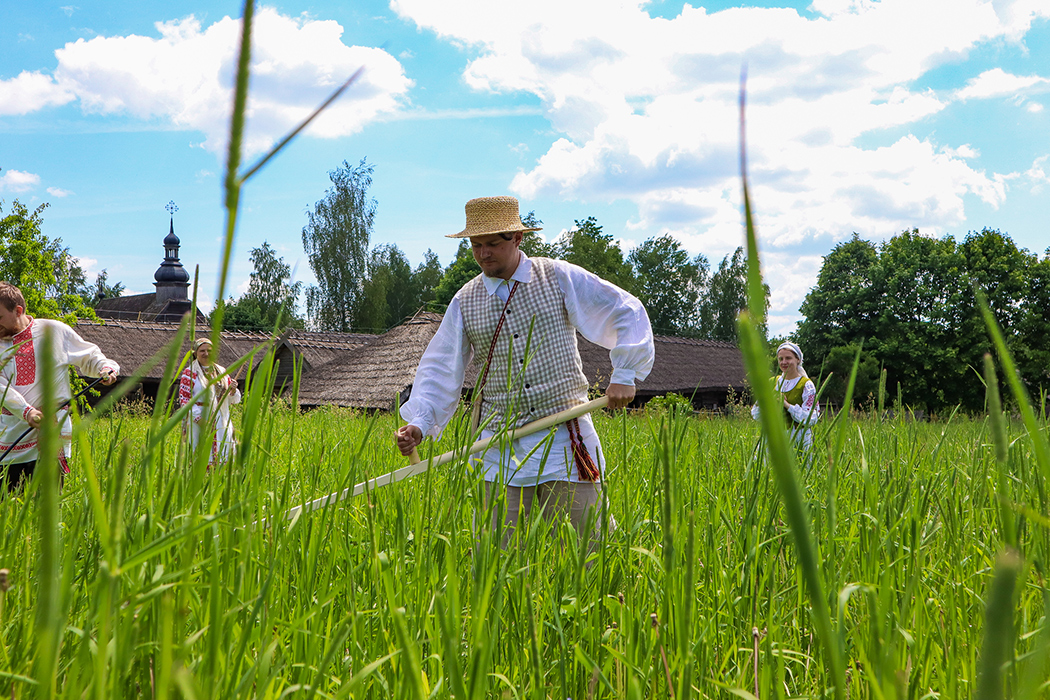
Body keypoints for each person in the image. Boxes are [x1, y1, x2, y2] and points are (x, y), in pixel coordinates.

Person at [395, 196, 655, 546]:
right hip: (499, 448)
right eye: (476, 245)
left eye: (492, 244)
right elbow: (442, 365)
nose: (483, 253)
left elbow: (623, 308)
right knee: (495, 560)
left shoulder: (557, 276)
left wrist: (624, 373)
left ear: (517, 239)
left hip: (566, 439)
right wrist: (420, 423)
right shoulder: (465, 300)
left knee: (593, 552)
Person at [0, 282, 119, 491]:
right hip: (11, 436)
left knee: (49, 506)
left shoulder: (53, 331)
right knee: (7, 508)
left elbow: (89, 356)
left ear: (18, 311)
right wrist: (27, 412)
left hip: (52, 432)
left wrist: (105, 368)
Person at [178, 337, 241, 465]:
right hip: (200, 418)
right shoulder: (190, 373)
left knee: (224, 450)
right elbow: (184, 399)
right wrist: (199, 419)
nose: (206, 354)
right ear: (195, 353)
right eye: (202, 351)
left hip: (221, 419)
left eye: (209, 350)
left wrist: (233, 390)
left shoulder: (222, 372)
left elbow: (231, 399)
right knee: (201, 453)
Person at [751, 341, 820, 451]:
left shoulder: (806, 385)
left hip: (799, 437)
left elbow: (811, 418)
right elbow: (756, 414)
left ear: (798, 360)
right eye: (781, 359)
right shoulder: (772, 383)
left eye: (788, 358)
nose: (784, 362)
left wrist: (787, 405)